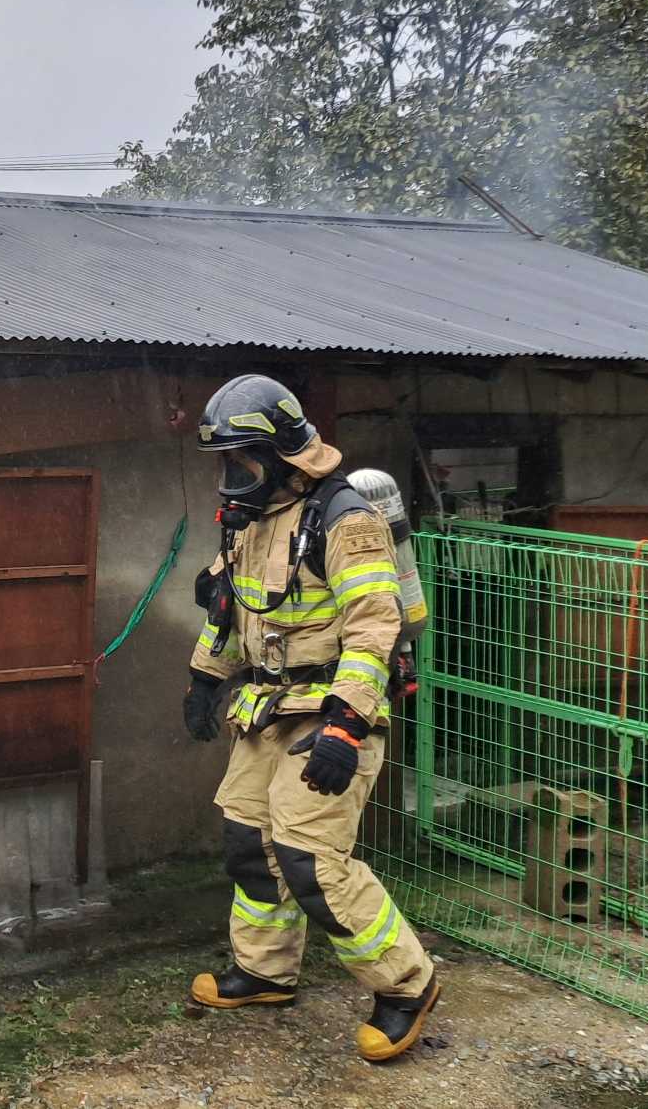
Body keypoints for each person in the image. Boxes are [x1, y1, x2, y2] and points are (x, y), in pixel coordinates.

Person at [181, 374, 441, 1062]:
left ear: (282, 456)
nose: (231, 475)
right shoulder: (252, 517)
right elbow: (233, 610)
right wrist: (204, 678)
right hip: (267, 708)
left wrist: (347, 725)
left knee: (311, 861)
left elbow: (374, 628)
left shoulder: (345, 520)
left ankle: (406, 986)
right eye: (226, 462)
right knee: (248, 843)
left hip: (329, 712)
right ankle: (265, 972)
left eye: (242, 460)